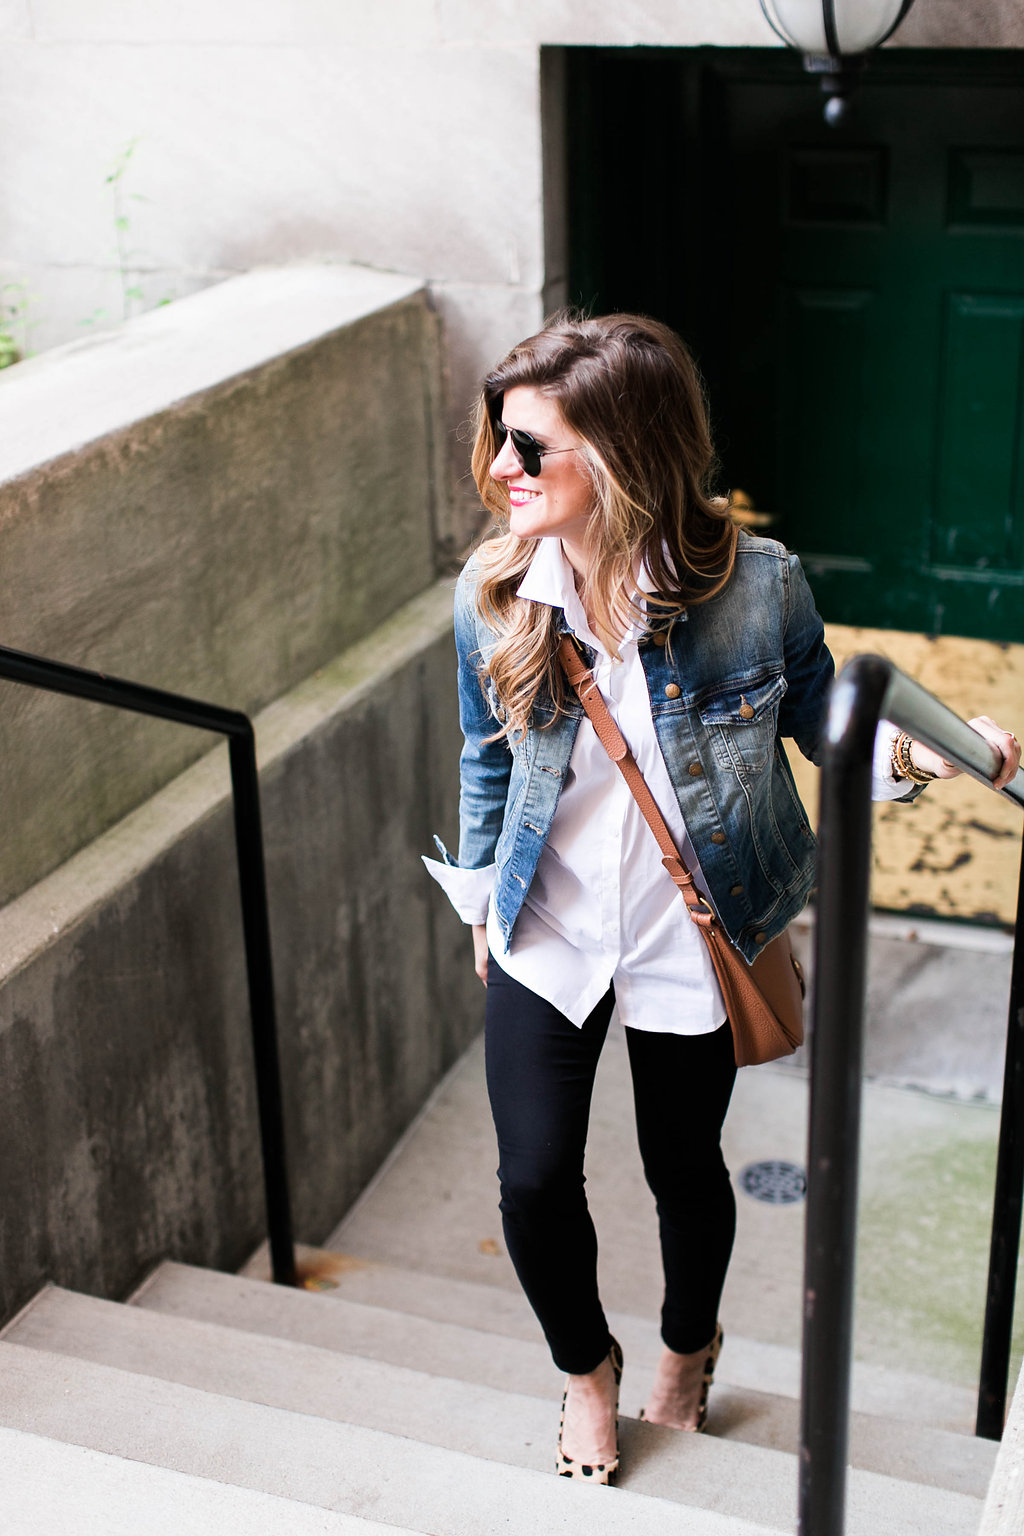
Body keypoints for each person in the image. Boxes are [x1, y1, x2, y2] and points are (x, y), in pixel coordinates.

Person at [424, 312, 1020, 1486]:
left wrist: (920, 755)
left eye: (531, 447)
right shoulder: (492, 593)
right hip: (542, 925)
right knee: (534, 1179)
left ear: (623, 455)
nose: (501, 468)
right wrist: (485, 912)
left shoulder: (756, 586)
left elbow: (819, 723)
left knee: (681, 1165)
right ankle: (584, 1373)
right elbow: (485, 755)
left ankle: (686, 1357)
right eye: (501, 439)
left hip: (688, 935)